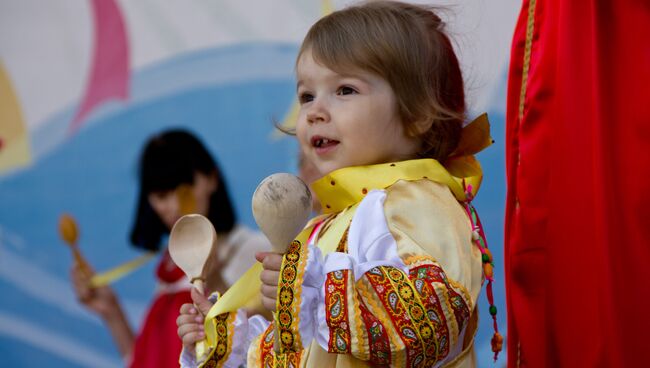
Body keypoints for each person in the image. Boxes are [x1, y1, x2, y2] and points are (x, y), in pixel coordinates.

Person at [177, 2, 499, 366]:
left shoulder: (418, 201)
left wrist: (314, 291)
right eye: (306, 96)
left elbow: (433, 319)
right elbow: (309, 353)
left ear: (419, 113)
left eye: (345, 90)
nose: (313, 111)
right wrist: (229, 345)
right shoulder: (328, 224)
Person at [70, 129, 269, 368]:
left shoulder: (252, 250)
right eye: (162, 195)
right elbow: (153, 361)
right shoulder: (169, 268)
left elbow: (266, 350)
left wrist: (213, 276)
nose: (175, 206)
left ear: (212, 178)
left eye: (184, 189)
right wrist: (112, 313)